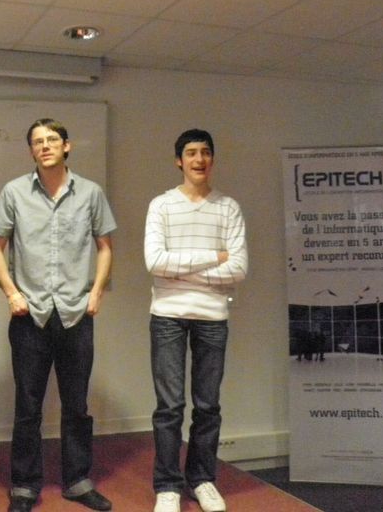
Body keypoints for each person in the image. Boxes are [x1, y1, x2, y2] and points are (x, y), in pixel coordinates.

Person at [0, 118, 116, 512]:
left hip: (76, 312)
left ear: (67, 146)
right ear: (31, 150)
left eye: (52, 139)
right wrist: (12, 293)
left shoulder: (90, 193)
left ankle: (77, 480)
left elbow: (105, 246)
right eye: (38, 141)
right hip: (30, 315)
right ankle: (25, 486)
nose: (45, 146)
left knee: (76, 405)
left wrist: (96, 292)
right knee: (28, 406)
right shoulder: (14, 192)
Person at [143, 129, 248, 512]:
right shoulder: (161, 205)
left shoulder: (228, 207)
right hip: (168, 316)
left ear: (212, 159)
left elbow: (238, 269)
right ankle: (167, 485)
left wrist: (181, 271)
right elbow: (155, 262)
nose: (199, 159)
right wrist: (213, 258)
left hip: (212, 317)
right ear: (179, 160)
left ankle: (202, 479)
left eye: (205, 152)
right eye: (191, 153)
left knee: (208, 405)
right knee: (169, 407)